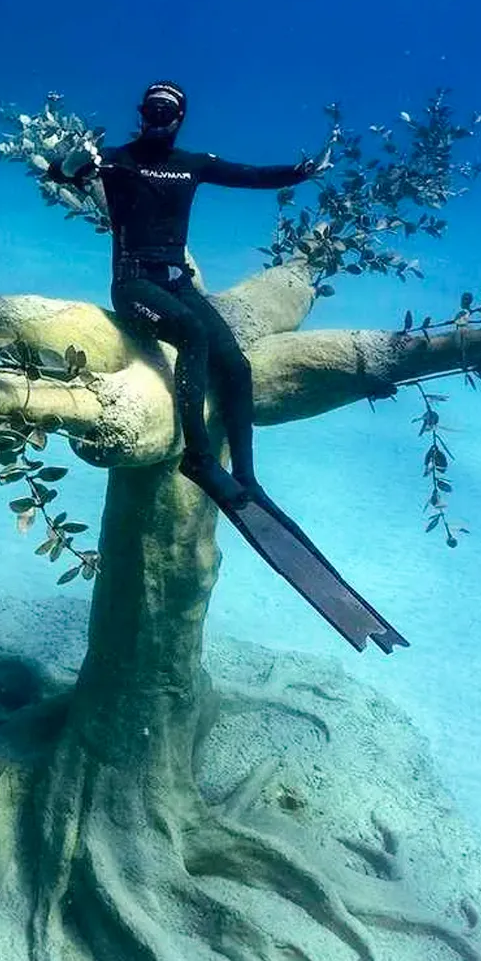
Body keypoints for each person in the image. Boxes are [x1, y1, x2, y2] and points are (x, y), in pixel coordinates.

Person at [45, 81, 407, 653]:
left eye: (168, 111)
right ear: (142, 115)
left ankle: (248, 476)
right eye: (152, 110)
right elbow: (62, 178)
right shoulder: (113, 159)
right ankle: (198, 458)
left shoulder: (192, 164)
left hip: (176, 283)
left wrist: (305, 170)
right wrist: (70, 162)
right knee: (192, 335)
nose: (159, 119)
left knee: (234, 365)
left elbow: (251, 176)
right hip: (134, 284)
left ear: (181, 117)